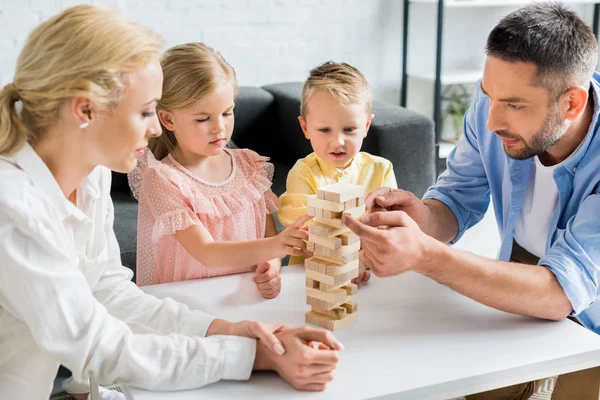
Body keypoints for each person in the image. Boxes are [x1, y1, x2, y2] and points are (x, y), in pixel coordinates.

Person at [0, 6, 341, 400]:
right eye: (146, 111)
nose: (155, 127)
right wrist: (251, 355)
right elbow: (97, 346)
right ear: (85, 110)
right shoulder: (13, 206)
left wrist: (229, 330)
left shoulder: (90, 173)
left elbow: (108, 291)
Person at [343, 3, 600, 399]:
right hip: (525, 268)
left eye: (514, 104)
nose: (493, 120)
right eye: (488, 95)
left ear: (571, 104)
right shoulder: (492, 109)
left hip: (589, 304)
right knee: (477, 386)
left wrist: (424, 255)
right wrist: (420, 217)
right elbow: (456, 197)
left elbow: (557, 293)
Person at [128, 42, 310, 294]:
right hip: (190, 301)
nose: (219, 128)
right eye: (203, 118)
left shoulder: (250, 167)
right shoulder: (162, 180)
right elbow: (207, 253)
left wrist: (271, 266)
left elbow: (266, 237)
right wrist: (278, 246)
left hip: (244, 295)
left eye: (227, 113)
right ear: (168, 119)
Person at [277, 61, 397, 284]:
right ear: (305, 128)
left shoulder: (382, 170)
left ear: (366, 126)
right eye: (324, 130)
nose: (338, 141)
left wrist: (361, 260)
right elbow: (306, 232)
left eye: (349, 129)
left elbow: (388, 229)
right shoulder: (303, 173)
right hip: (311, 277)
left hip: (372, 275)